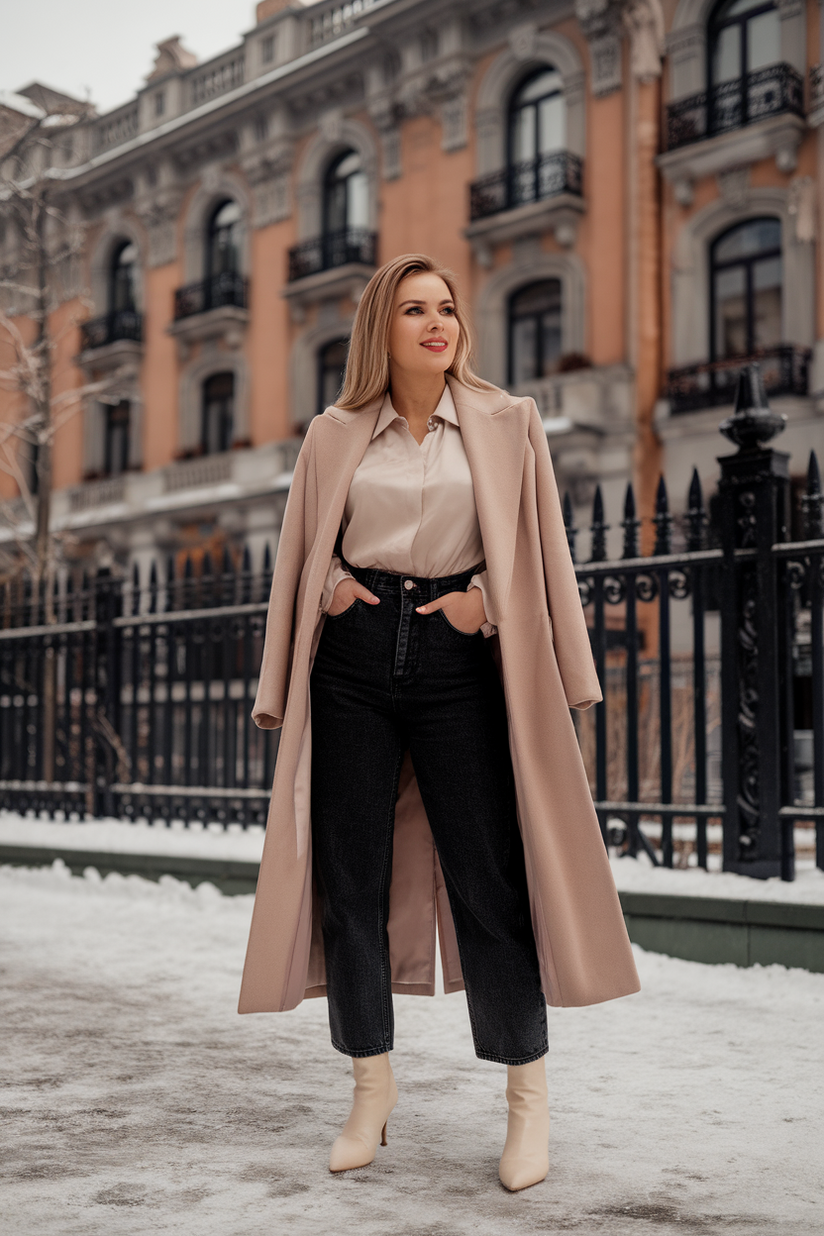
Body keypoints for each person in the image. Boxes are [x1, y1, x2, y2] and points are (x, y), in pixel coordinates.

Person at [238, 254, 639, 1192]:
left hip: (461, 656)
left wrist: (487, 606)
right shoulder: (334, 434)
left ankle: (527, 1103)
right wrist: (332, 588)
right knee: (351, 879)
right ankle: (369, 1090)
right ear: (382, 326)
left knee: (488, 877)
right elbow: (303, 547)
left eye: (447, 308)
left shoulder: (508, 422)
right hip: (352, 657)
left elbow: (540, 549)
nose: (437, 323)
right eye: (415, 308)